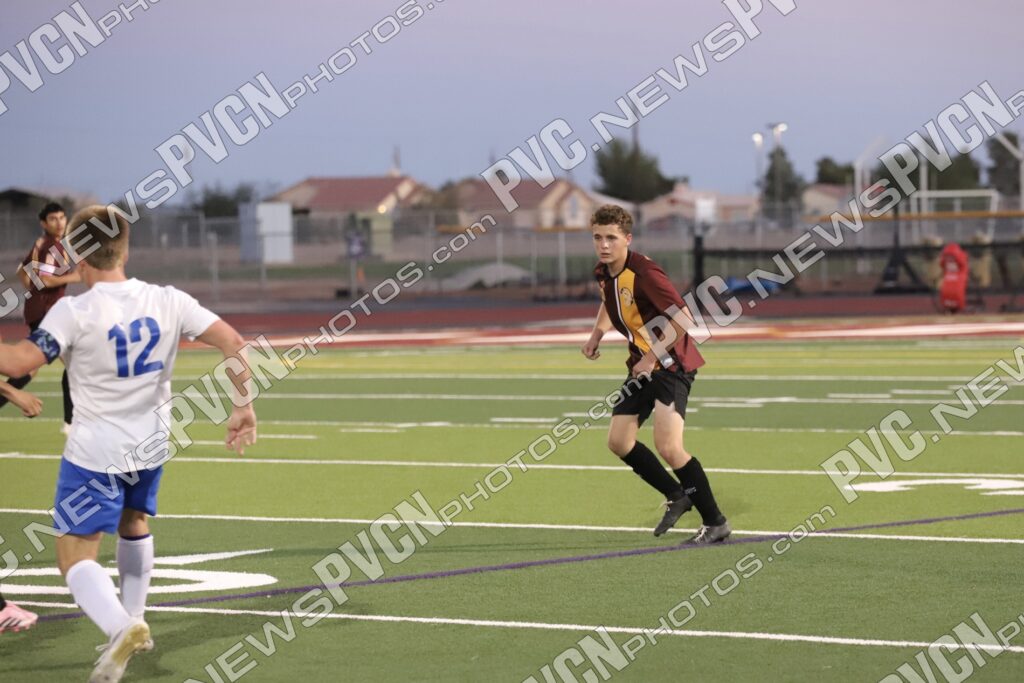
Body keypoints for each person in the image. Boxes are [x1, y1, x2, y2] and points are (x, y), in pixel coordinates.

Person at [0, 205, 258, 682]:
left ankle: (121, 626)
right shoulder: (168, 299)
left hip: (95, 452)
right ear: (125, 249)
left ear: (76, 254)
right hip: (151, 444)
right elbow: (234, 342)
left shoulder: (73, 312)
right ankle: (135, 620)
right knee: (134, 521)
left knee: (74, 557)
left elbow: (18, 363)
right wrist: (242, 405)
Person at [581, 205, 730, 545]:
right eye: (598, 238)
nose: (604, 245)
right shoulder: (604, 271)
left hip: (671, 366)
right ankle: (677, 495)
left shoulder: (645, 272)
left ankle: (716, 522)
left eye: (611, 238)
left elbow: (684, 318)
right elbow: (609, 300)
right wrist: (596, 335)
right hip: (642, 366)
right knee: (619, 442)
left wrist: (650, 357)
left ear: (628, 239)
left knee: (669, 447)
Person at [0, 202, 79, 431]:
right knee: (74, 364)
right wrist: (76, 278)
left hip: (41, 312)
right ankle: (70, 424)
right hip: (47, 314)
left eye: (62, 217)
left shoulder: (42, 243)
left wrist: (32, 290)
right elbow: (44, 280)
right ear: (43, 223)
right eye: (53, 219)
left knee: (28, 369)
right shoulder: (51, 246)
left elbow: (21, 271)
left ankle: (71, 423)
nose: (59, 222)